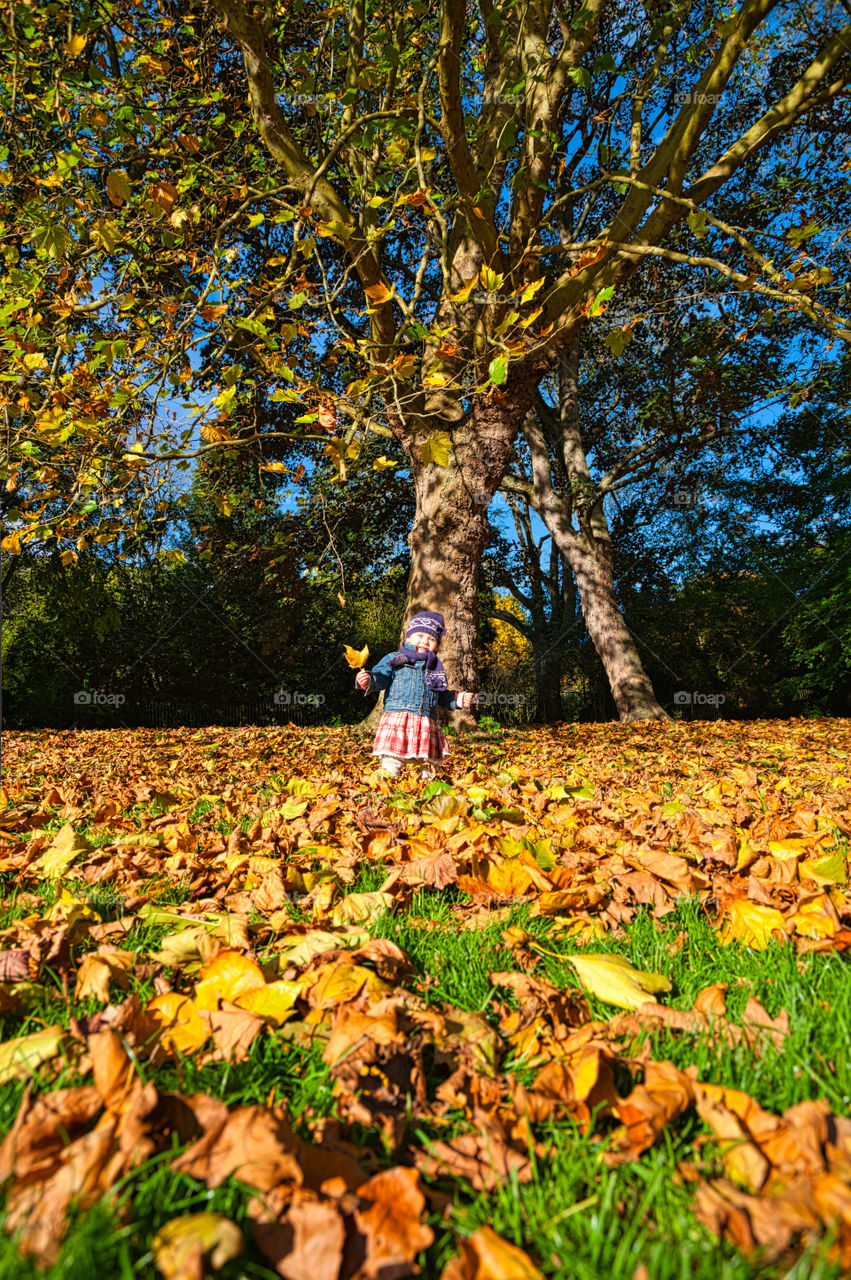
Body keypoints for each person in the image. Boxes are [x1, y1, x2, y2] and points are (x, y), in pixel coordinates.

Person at [355, 611, 474, 780]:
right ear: (408, 637)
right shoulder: (395, 659)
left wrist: (457, 699)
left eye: (432, 639)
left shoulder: (434, 668)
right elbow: (381, 676)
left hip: (426, 721)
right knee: (393, 758)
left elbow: (440, 693)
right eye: (420, 635)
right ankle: (386, 782)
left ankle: (429, 784)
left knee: (428, 761)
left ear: (437, 645)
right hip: (399, 717)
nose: (425, 641)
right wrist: (369, 680)